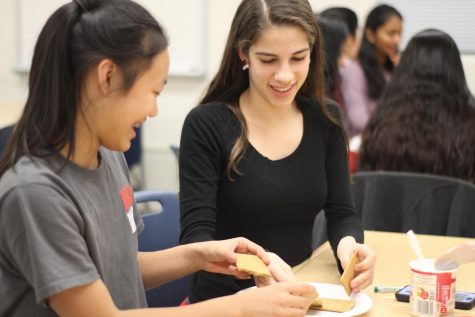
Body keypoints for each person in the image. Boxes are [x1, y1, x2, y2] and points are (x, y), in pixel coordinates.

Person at [0, 1, 318, 316]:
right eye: (153, 92)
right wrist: (239, 308)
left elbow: (119, 268)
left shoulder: (108, 155)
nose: (153, 111)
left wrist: (200, 255)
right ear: (107, 76)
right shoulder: (35, 194)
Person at [179, 0, 376, 304]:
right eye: (269, 60)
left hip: (298, 298)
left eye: (298, 57)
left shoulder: (325, 120)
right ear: (244, 54)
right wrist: (260, 264)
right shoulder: (207, 124)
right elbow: (196, 241)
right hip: (225, 305)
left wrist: (348, 247)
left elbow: (341, 212)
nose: (285, 76)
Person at [359, 29, 475, 184]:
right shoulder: (469, 126)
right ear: (456, 71)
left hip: (393, 208)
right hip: (452, 209)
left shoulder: (382, 124)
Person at [340, 4, 403, 137]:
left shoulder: (394, 69)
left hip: (390, 142)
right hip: (362, 147)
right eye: (391, 33)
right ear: (370, 34)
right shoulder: (354, 70)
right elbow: (359, 120)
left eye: (399, 33)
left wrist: (403, 74)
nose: (397, 40)